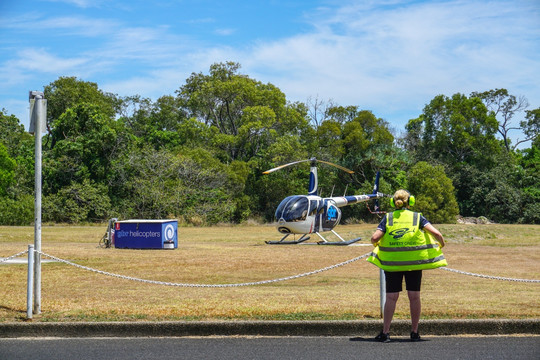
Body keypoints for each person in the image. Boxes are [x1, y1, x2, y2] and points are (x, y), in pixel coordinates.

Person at [367, 189, 446, 343]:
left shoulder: (388, 218)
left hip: (393, 264)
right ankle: (415, 333)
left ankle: (385, 333)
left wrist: (376, 244)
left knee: (391, 297)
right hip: (414, 264)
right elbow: (437, 234)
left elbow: (374, 237)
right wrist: (441, 244)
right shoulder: (417, 217)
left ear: (392, 202)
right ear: (411, 202)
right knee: (414, 297)